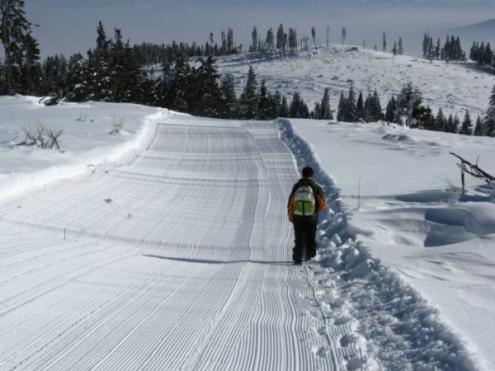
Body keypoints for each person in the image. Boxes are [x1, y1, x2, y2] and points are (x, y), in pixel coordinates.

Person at [287, 166, 326, 265]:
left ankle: (297, 258)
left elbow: (291, 202)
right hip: (311, 217)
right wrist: (316, 211)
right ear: (312, 175)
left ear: (302, 174)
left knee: (299, 237)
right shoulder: (315, 187)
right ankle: (309, 254)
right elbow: (321, 203)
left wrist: (292, 217)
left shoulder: (297, 186)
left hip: (297, 217)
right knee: (310, 236)